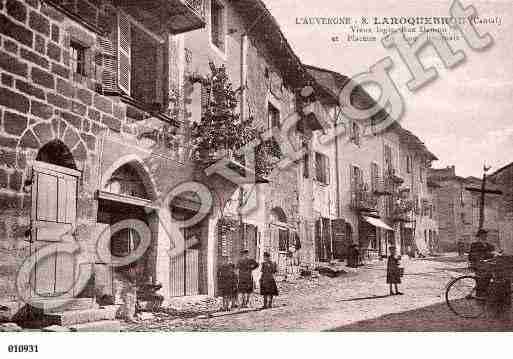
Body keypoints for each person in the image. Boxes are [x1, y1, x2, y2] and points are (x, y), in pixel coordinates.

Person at [468, 229, 494, 298]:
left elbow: (492, 255)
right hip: (478, 265)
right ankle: (479, 296)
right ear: (479, 236)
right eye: (482, 235)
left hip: (487, 265)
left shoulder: (489, 245)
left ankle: (486, 295)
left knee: (489, 277)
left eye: (485, 235)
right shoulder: (474, 245)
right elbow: (471, 256)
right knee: (481, 280)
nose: (484, 237)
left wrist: (495, 254)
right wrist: (477, 260)